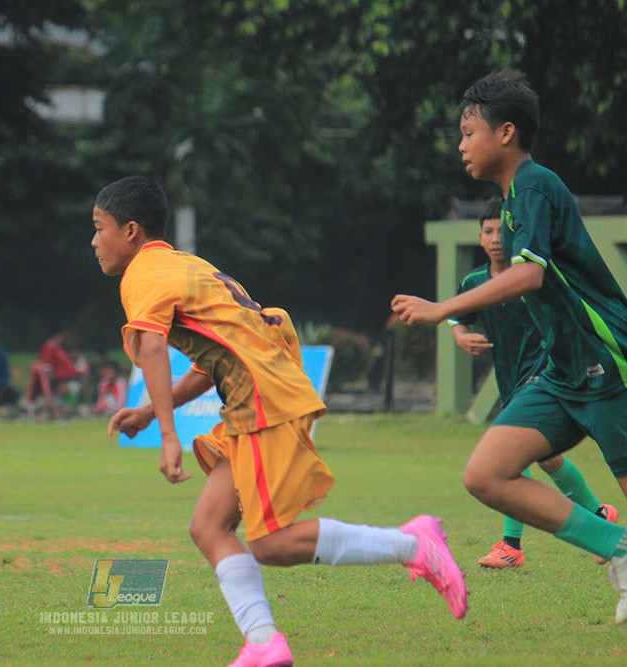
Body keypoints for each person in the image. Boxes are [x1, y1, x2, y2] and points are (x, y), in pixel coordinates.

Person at [93, 176, 467, 667]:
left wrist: (168, 435)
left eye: (99, 228)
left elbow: (156, 348)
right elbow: (218, 357)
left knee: (270, 543)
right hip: (257, 390)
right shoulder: (184, 265)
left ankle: (412, 543)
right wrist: (149, 410)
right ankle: (264, 642)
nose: (95, 241)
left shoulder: (141, 275)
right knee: (209, 525)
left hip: (261, 398)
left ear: (132, 231)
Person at [392, 70, 627, 623]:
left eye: (468, 131)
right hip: (563, 370)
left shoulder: (537, 185)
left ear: (505, 132)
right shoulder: (513, 203)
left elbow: (530, 277)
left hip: (608, 361)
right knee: (485, 474)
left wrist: (441, 309)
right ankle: (618, 548)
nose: (461, 145)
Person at [451, 197, 616, 568]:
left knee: (510, 452)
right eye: (488, 231)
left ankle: (511, 545)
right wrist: (461, 336)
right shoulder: (475, 282)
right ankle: (599, 516)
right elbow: (461, 318)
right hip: (510, 377)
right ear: (479, 238)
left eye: (502, 231)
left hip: (545, 373)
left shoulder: (530, 275)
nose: (495, 238)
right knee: (548, 459)